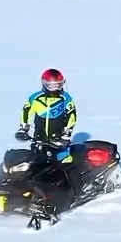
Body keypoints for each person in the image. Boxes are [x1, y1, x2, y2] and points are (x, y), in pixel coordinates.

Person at [18, 68, 79, 213]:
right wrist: (23, 129)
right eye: (51, 85)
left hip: (59, 141)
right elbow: (26, 112)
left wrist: (66, 135)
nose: (54, 89)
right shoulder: (35, 98)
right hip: (39, 140)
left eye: (58, 85)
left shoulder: (65, 99)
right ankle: (31, 197)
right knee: (35, 168)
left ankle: (74, 194)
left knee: (66, 165)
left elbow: (72, 116)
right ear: (44, 84)